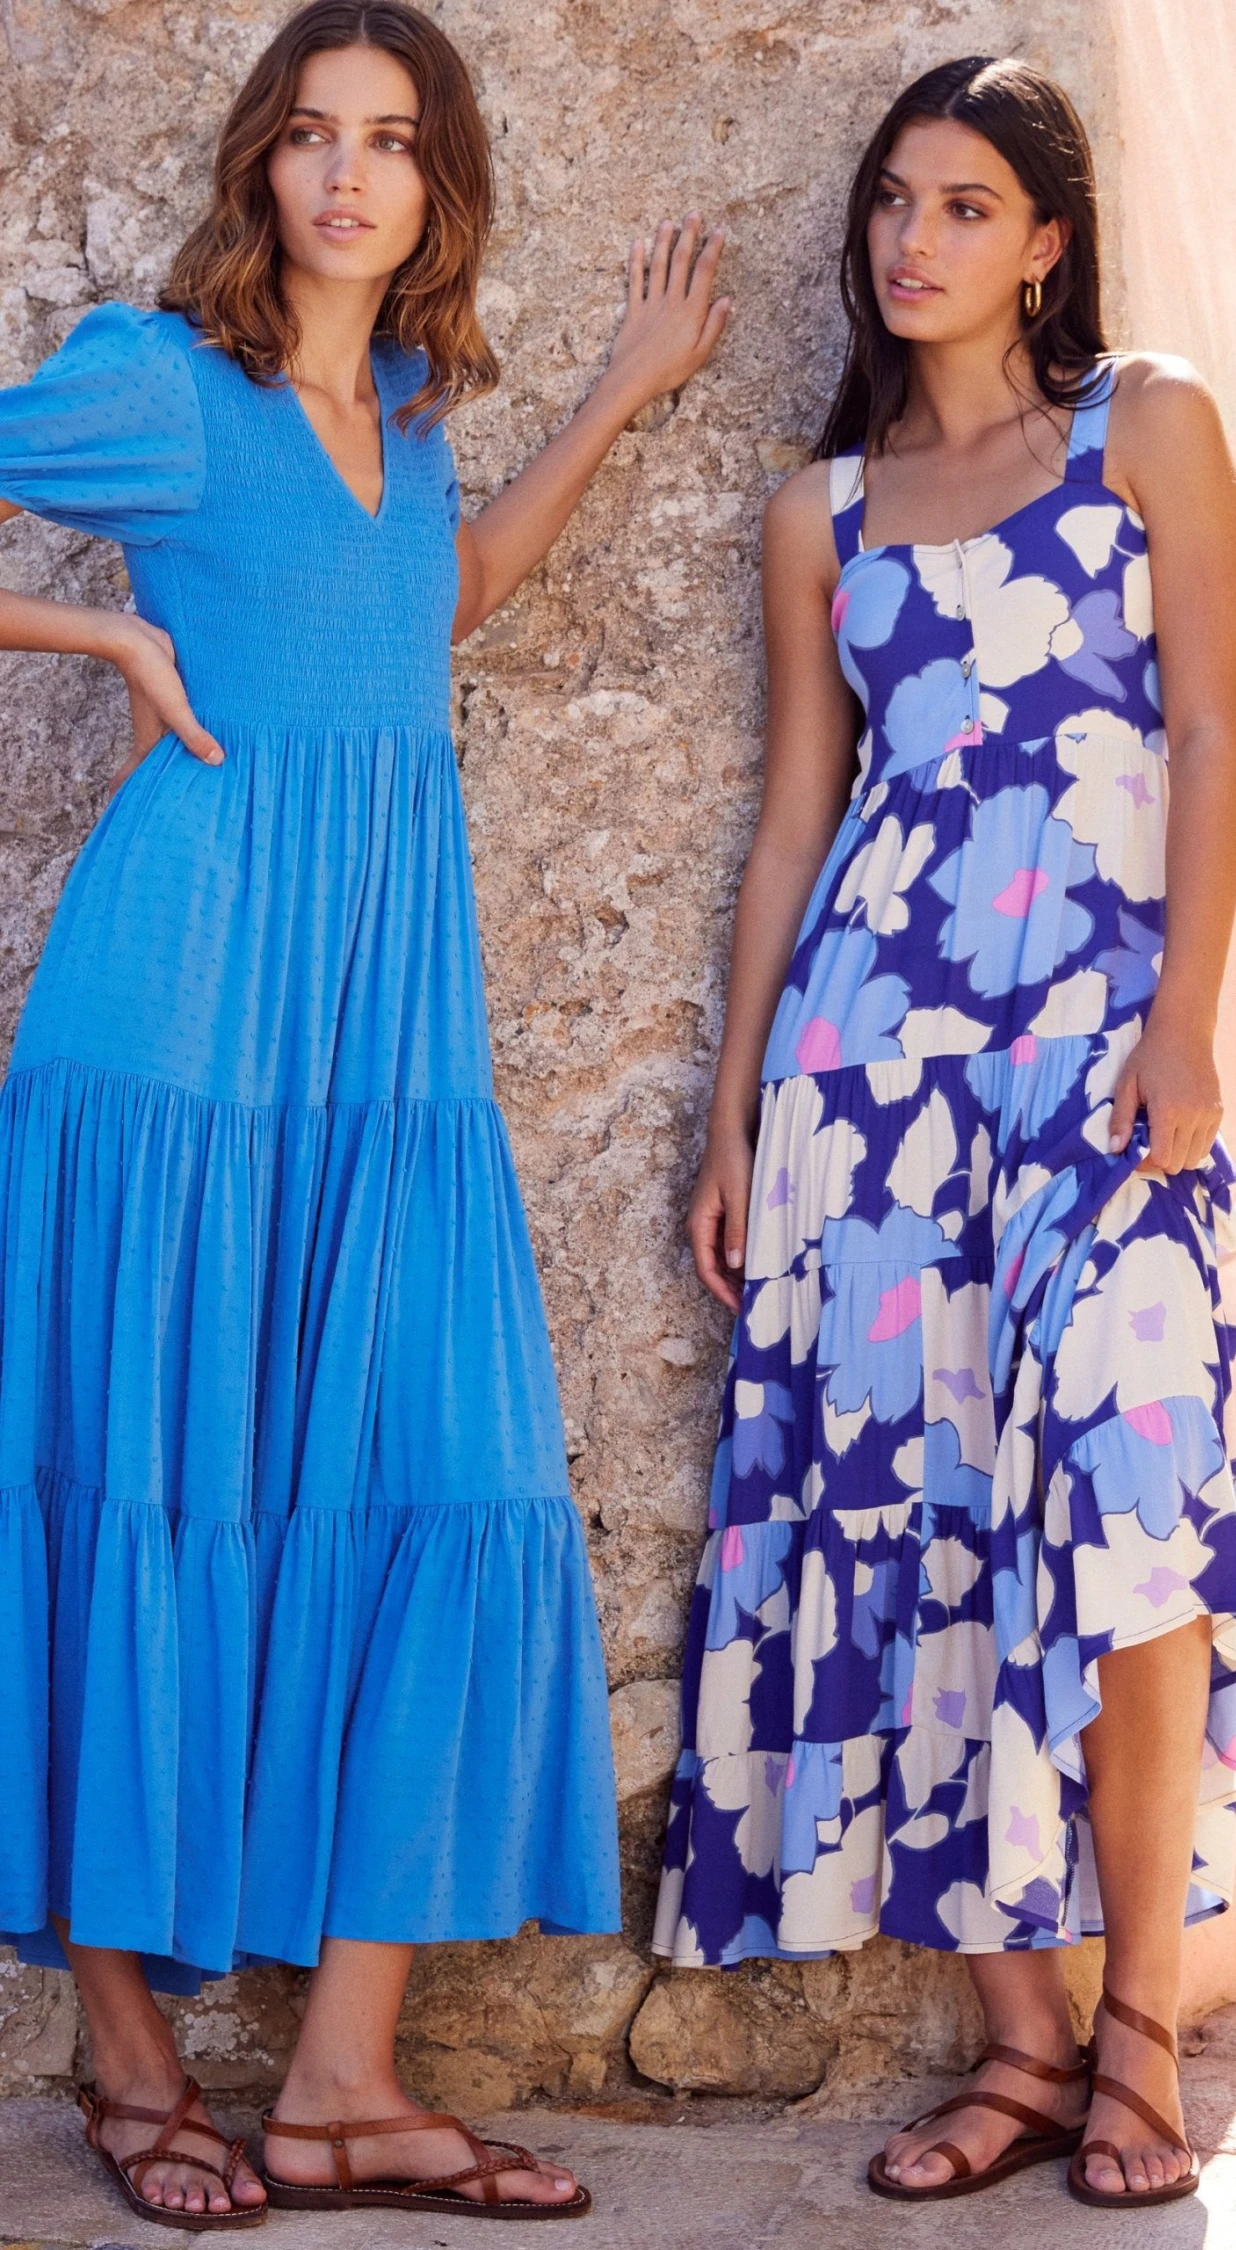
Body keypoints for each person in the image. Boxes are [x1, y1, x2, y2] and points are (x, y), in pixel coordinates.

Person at [0, 0, 727, 2226]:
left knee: (451, 1477)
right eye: (312, 132)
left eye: (392, 140)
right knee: (137, 1487)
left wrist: (614, 395)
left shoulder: (407, 410)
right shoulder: (161, 382)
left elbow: (442, 601)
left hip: (387, 1044)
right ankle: (130, 2056)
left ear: (436, 184)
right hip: (178, 1029)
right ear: (262, 159)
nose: (346, 173)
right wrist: (106, 647)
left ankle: (336, 2086)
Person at [654, 54, 1236, 2211]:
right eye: (896, 202)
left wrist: (1186, 1024)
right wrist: (734, 1114)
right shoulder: (818, 515)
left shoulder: (1146, 428)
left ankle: (1143, 2032)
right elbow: (794, 823)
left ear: (1047, 241)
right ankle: (1021, 2043)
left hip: (1097, 1061)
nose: (917, 241)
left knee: (1131, 1506)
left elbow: (1211, 730)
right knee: (920, 1526)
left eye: (969, 205)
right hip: (870, 1085)